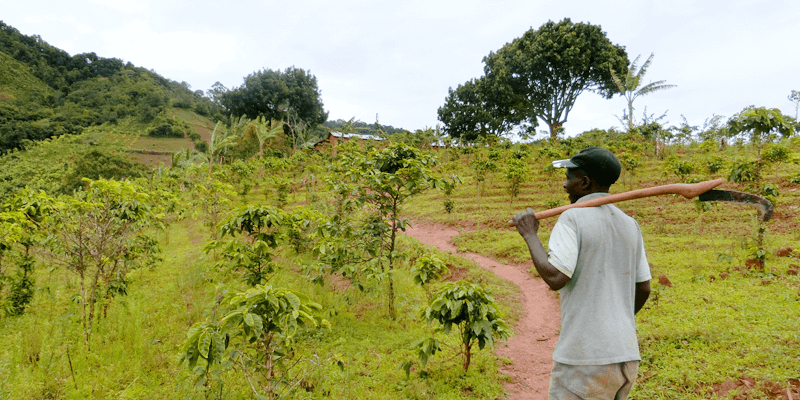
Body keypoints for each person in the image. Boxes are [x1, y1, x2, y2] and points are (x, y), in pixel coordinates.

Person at [512, 146, 652, 400]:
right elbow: (644, 288)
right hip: (626, 358)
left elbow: (556, 277)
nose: (565, 186)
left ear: (585, 183)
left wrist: (530, 235)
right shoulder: (630, 224)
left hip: (585, 360)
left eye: (569, 178)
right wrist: (612, 319)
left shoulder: (572, 218)